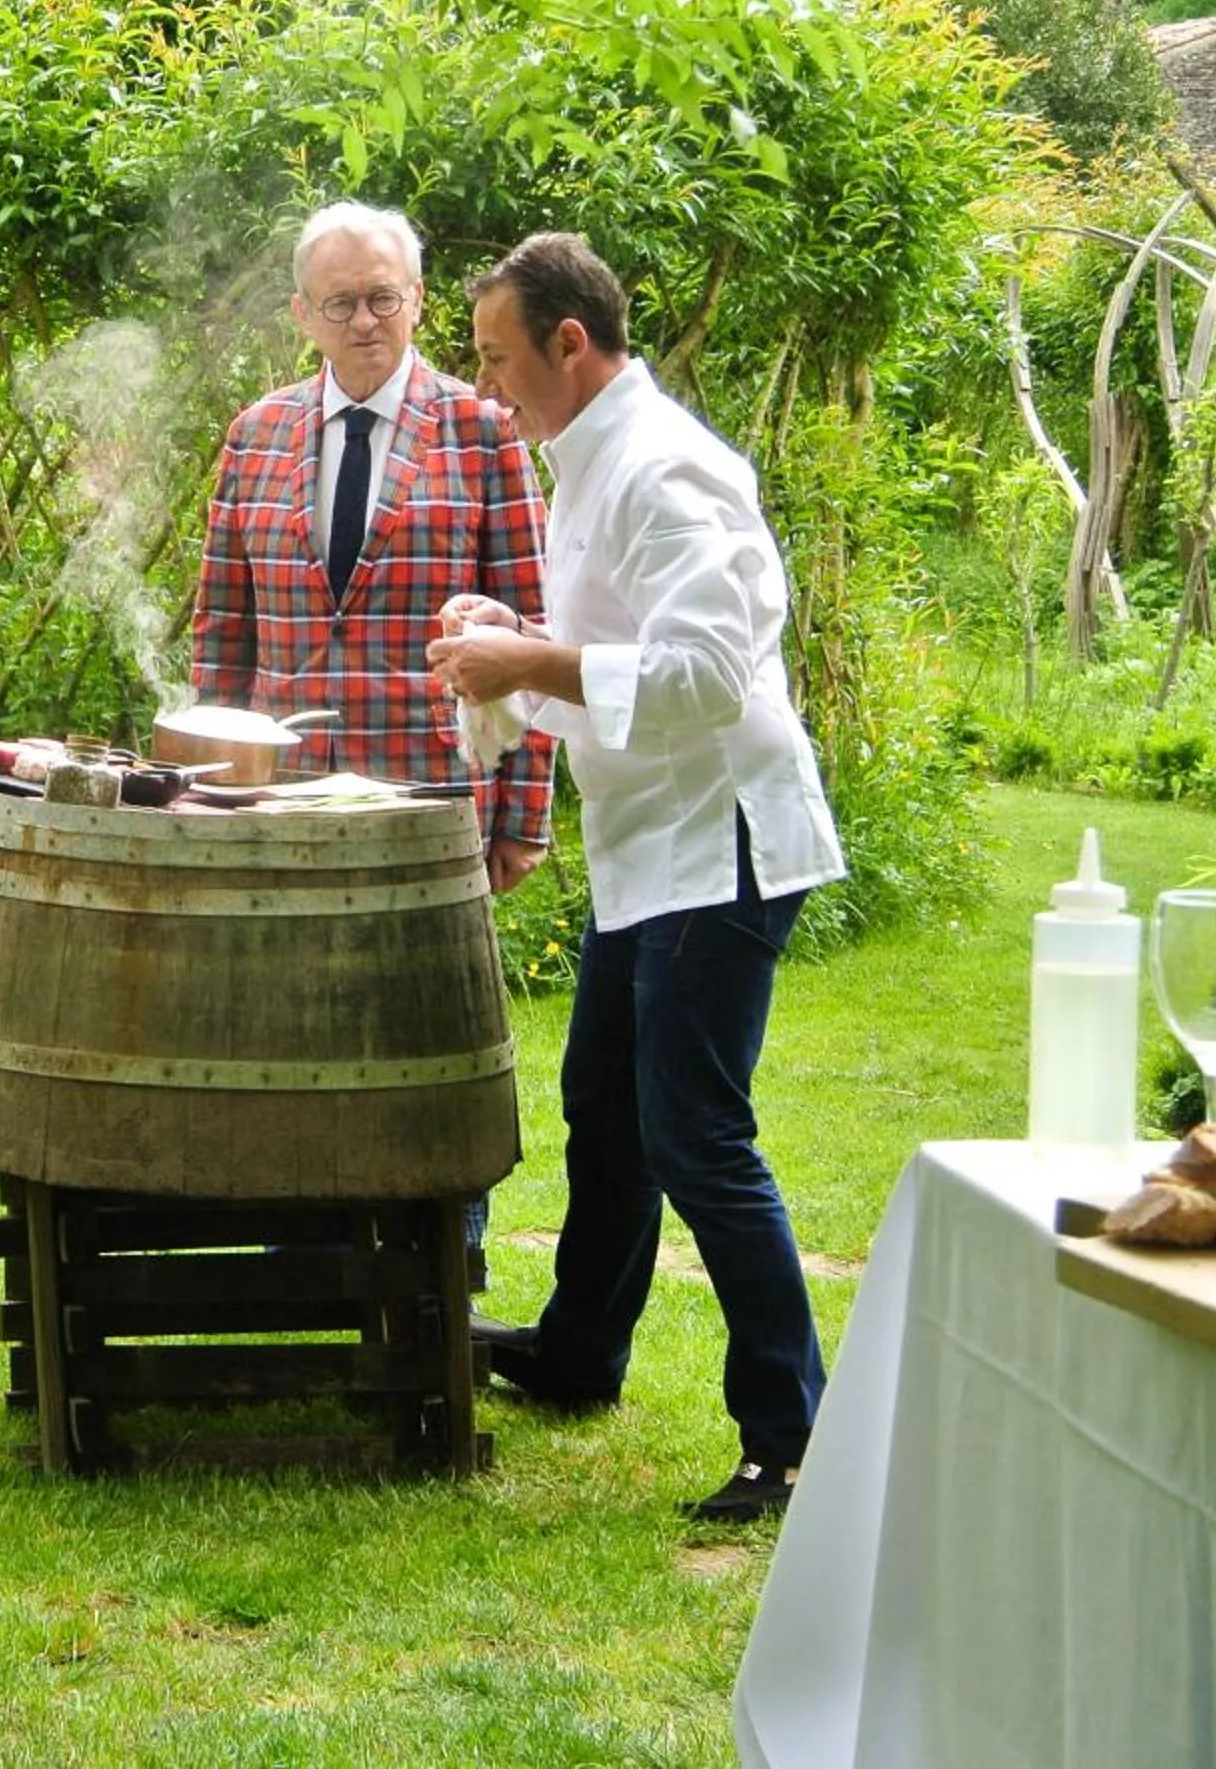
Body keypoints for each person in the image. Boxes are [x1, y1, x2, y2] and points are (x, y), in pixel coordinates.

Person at [423, 232, 845, 1523]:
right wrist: (516, 648)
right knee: (604, 1101)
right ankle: (576, 1356)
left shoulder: (667, 470)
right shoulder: (587, 461)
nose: (486, 387)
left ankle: (792, 1437)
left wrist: (529, 666)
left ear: (570, 342)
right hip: (648, 841)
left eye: (498, 359)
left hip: (722, 839)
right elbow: (613, 670)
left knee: (698, 1137)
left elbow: (706, 679)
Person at [188, 200, 556, 893]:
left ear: (416, 300)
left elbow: (535, 627)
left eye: (383, 297)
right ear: (303, 314)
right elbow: (222, 634)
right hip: (278, 792)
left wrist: (524, 817)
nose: (364, 320)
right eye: (340, 303)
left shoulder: (483, 433)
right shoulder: (254, 435)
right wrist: (209, 785)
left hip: (431, 794)